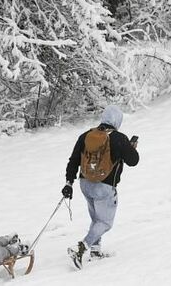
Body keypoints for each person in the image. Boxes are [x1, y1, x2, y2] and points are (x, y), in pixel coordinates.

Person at [62, 105, 139, 267]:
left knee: (97, 219)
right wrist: (131, 149)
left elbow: (73, 160)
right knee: (105, 223)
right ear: (118, 120)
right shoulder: (119, 138)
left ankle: (95, 250)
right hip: (104, 187)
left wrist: (69, 182)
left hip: (85, 183)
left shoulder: (86, 136)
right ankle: (80, 248)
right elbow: (133, 161)